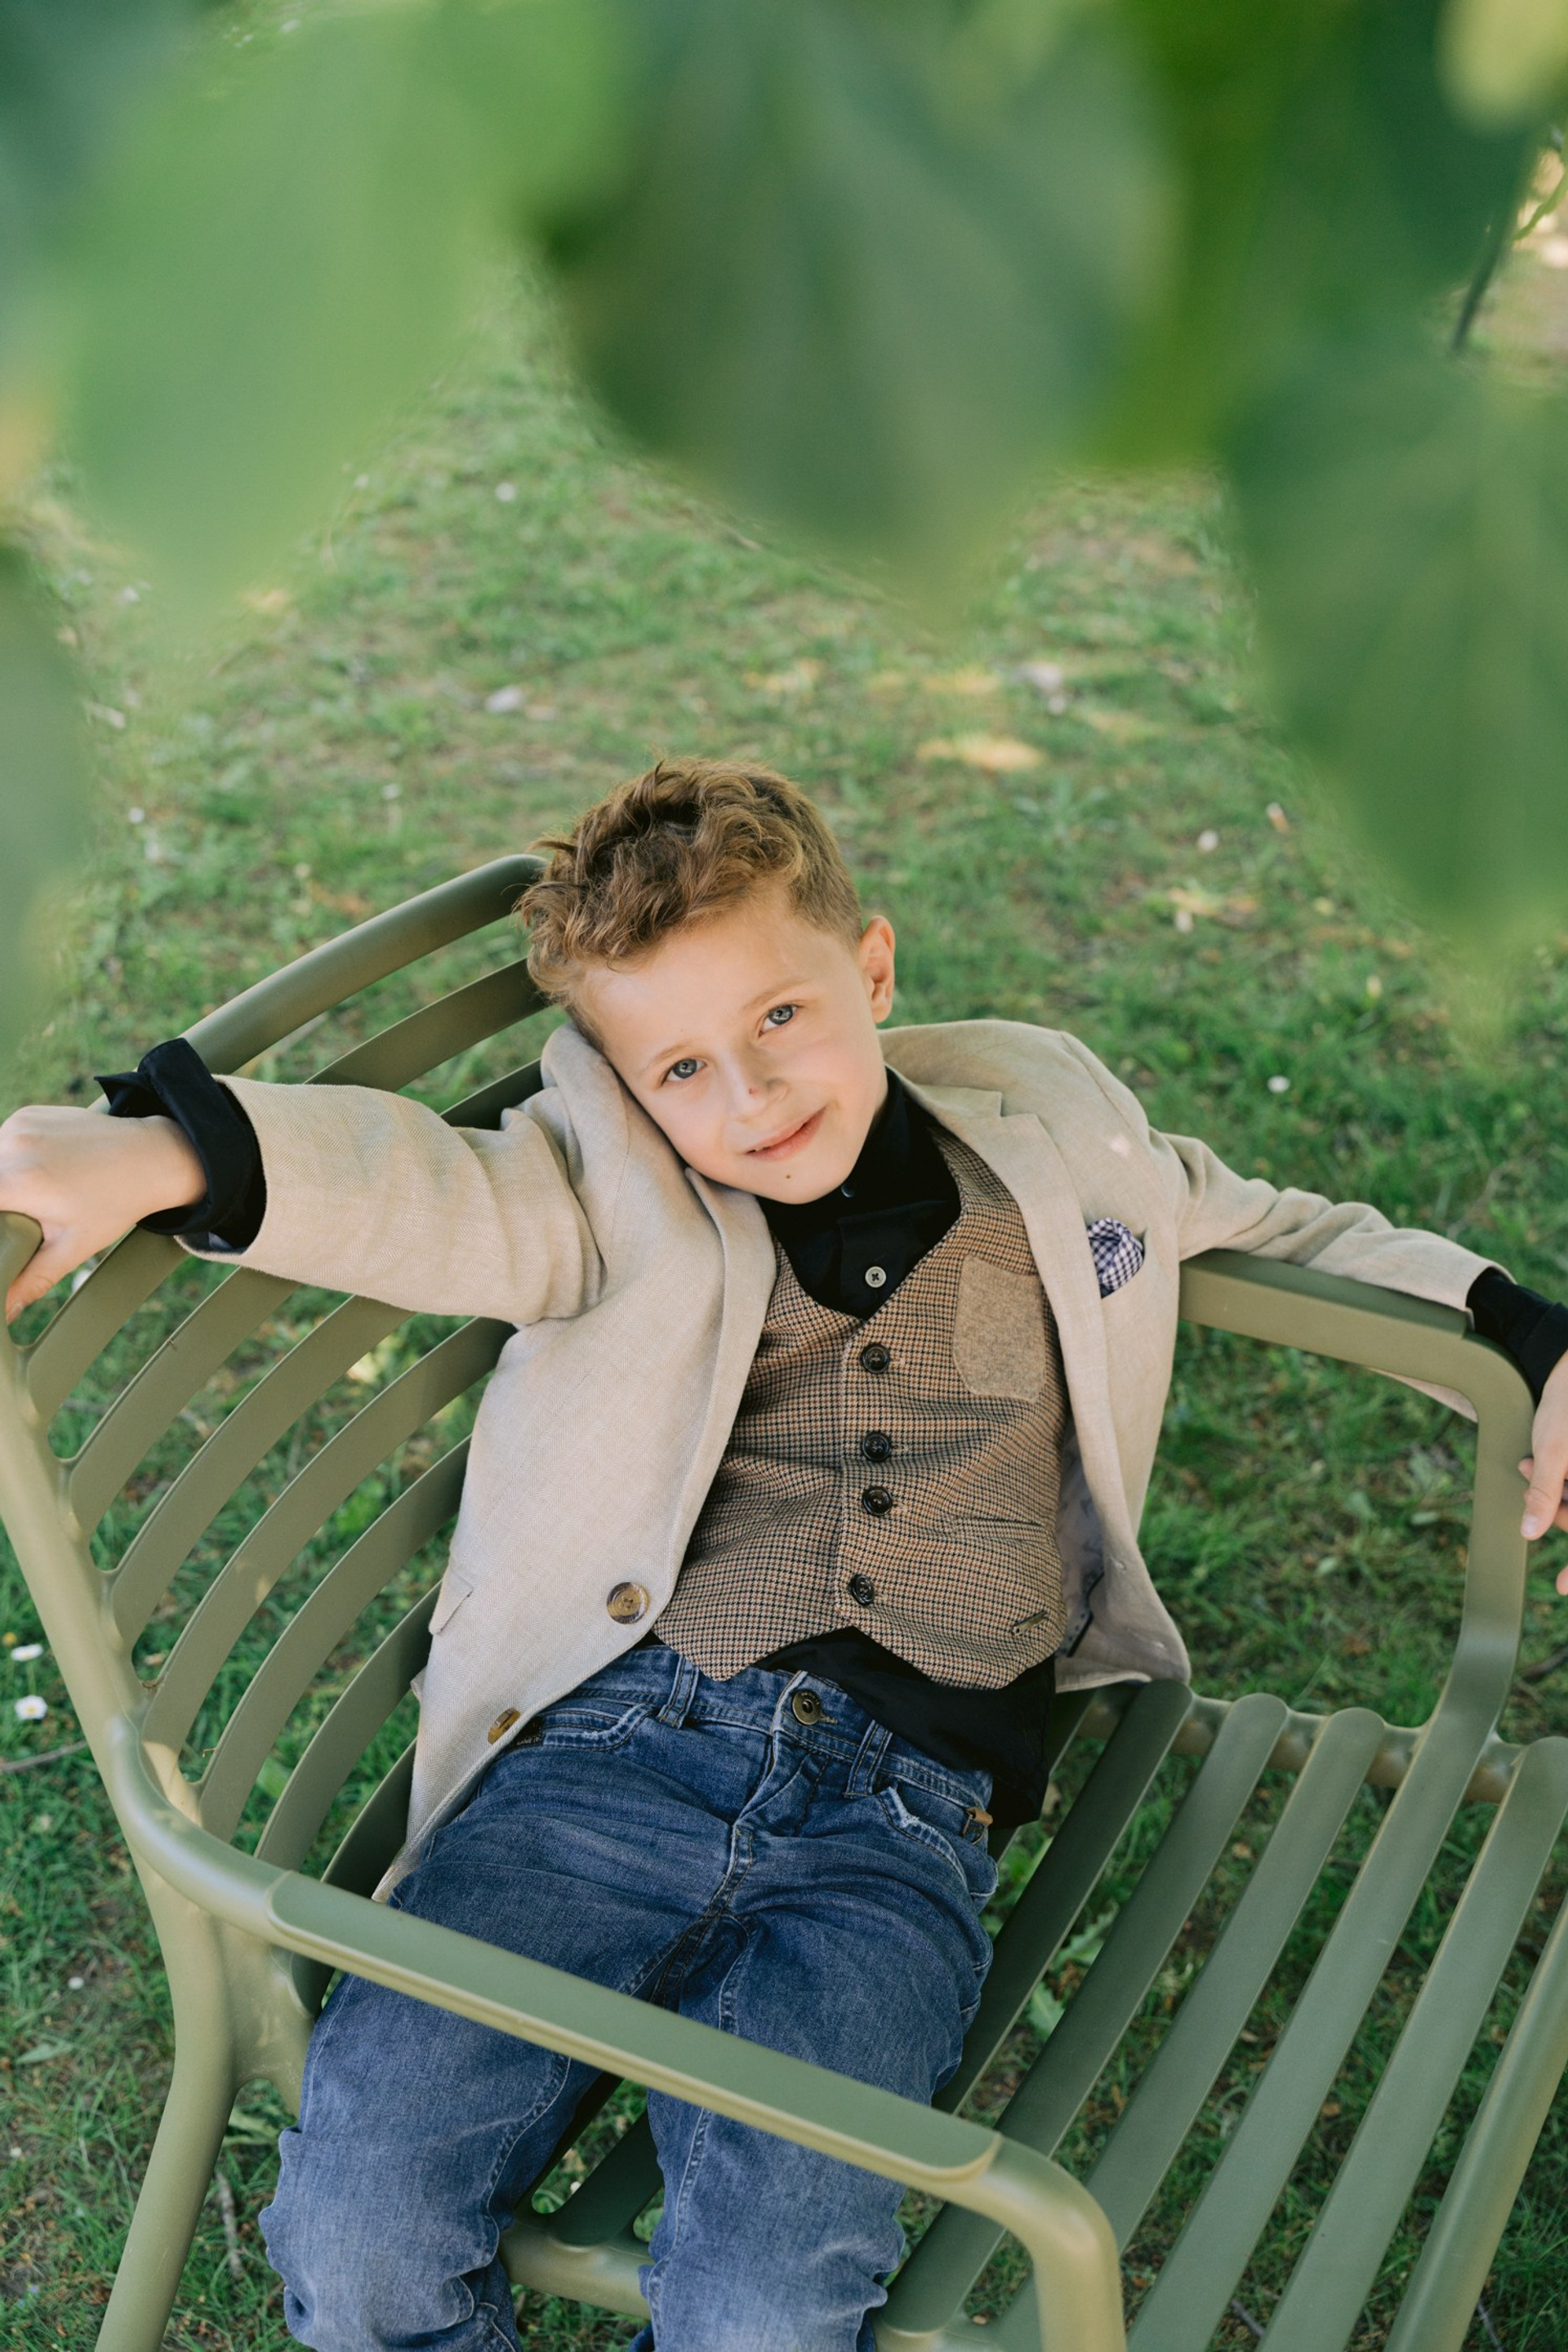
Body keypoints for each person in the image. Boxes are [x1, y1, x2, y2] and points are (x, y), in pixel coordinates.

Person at [3, 759, 1567, 2352]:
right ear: (628, 1090)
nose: (749, 1097)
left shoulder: (1050, 1130)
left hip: (902, 1828)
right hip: (601, 1766)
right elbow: (429, 1192)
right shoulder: (611, 1191)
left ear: (870, 969)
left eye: (780, 1019)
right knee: (361, 2232)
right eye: (681, 1067)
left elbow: (1283, 1226)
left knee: (767, 2307)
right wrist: (168, 1154)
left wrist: (1531, 1335)